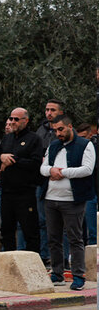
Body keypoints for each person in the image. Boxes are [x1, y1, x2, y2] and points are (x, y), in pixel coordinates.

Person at [40, 116, 95, 290]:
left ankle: (78, 275)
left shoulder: (85, 145)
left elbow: (87, 169)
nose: (58, 133)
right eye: (55, 130)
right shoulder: (54, 145)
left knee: (75, 238)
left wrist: (63, 172)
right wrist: (51, 170)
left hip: (72, 200)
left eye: (61, 129)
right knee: (53, 238)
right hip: (50, 198)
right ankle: (57, 273)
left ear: (70, 127)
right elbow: (43, 167)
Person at [0, 107, 43, 252]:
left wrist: (14, 160)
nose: (13, 122)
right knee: (6, 230)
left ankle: (32, 265)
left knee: (30, 230)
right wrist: (1, 157)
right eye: (11, 118)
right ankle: (9, 263)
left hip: (25, 192)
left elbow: (35, 164)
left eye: (16, 119)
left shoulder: (34, 139)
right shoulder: (7, 138)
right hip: (7, 191)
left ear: (26, 120)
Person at [35, 99, 64, 265]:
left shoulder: (66, 131)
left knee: (63, 225)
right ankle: (44, 255)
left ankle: (63, 259)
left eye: (52, 110)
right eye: (47, 109)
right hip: (42, 181)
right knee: (42, 221)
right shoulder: (41, 130)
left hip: (60, 181)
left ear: (60, 112)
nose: (49, 113)